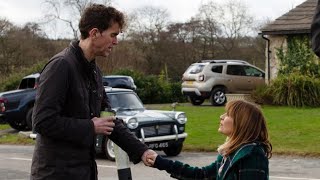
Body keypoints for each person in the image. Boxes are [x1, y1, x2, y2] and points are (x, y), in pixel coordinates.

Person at [30, 4, 155, 180]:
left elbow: (108, 121)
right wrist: (90, 126)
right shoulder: (61, 66)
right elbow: (42, 121)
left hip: (85, 173)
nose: (116, 42)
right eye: (113, 35)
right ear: (94, 33)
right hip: (55, 174)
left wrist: (142, 151)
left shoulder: (94, 71)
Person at [146, 100, 272, 180]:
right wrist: (160, 162)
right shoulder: (230, 152)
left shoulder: (252, 155)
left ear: (241, 123)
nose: (221, 117)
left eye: (227, 114)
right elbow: (201, 175)